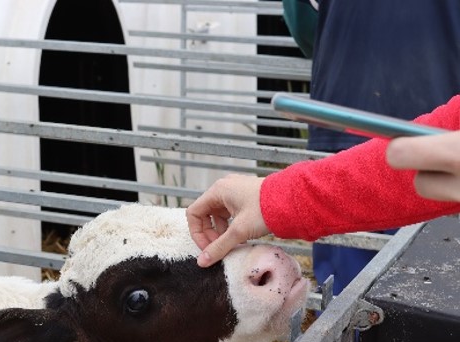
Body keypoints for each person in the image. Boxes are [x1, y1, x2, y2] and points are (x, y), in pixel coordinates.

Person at [282, 0, 460, 294]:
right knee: (437, 289)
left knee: (346, 292)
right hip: (443, 134)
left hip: (346, 113)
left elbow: (305, 25)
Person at [187, 95, 460, 267]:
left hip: (346, 100)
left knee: (355, 273)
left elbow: (302, 25)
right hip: (414, 110)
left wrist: (276, 196)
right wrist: (274, 197)